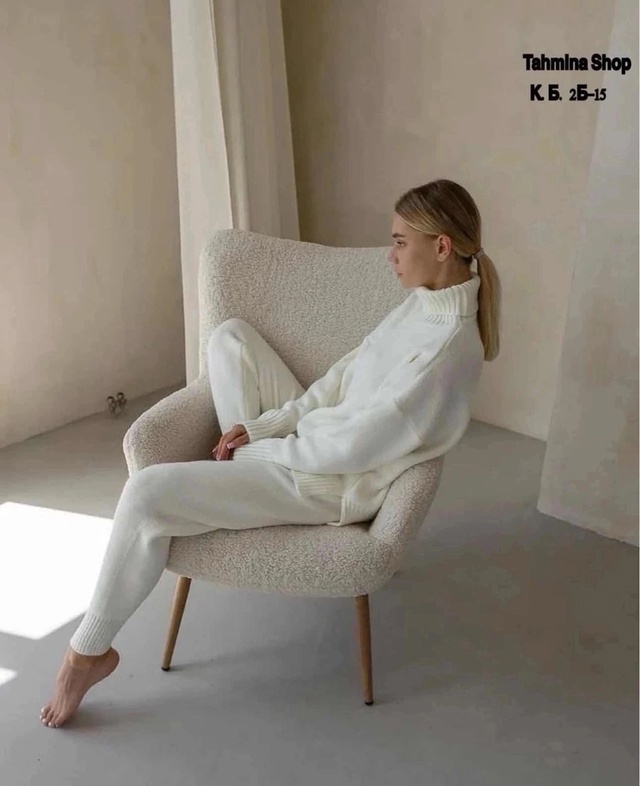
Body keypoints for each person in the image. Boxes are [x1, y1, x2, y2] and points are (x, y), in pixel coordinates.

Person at [39, 178, 501, 728]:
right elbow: (345, 375)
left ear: (442, 246)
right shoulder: (423, 306)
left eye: (401, 242)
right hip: (313, 443)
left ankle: (86, 655)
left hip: (329, 483)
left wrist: (260, 455)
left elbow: (354, 446)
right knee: (230, 338)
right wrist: (264, 426)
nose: (391, 254)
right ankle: (236, 472)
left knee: (145, 493)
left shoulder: (446, 353)